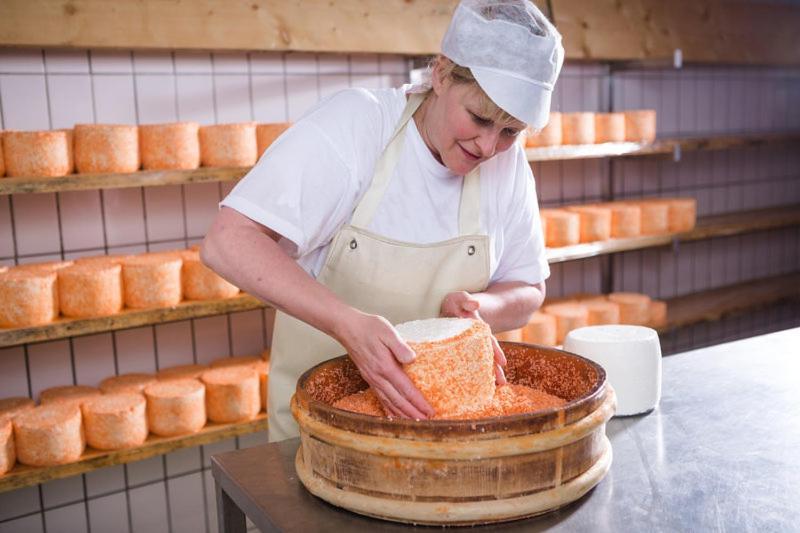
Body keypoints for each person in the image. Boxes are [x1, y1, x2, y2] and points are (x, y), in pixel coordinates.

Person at [202, 0, 564, 442]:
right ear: (442, 73)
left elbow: (528, 288)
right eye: (479, 118)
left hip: (441, 443)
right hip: (322, 436)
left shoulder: (507, 167)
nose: (490, 147)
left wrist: (477, 310)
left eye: (511, 131)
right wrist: (346, 325)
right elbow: (228, 240)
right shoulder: (358, 126)